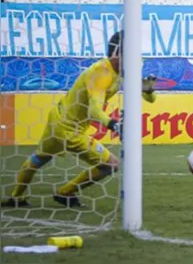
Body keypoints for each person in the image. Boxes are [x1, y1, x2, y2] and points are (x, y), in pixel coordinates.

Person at [1, 31, 157, 208]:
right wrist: (113, 125)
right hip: (70, 129)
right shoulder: (101, 73)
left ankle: (16, 197)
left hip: (58, 118)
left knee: (39, 159)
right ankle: (65, 193)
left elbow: (150, 99)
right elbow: (94, 110)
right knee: (111, 164)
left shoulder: (124, 69)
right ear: (116, 54)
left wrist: (149, 90)